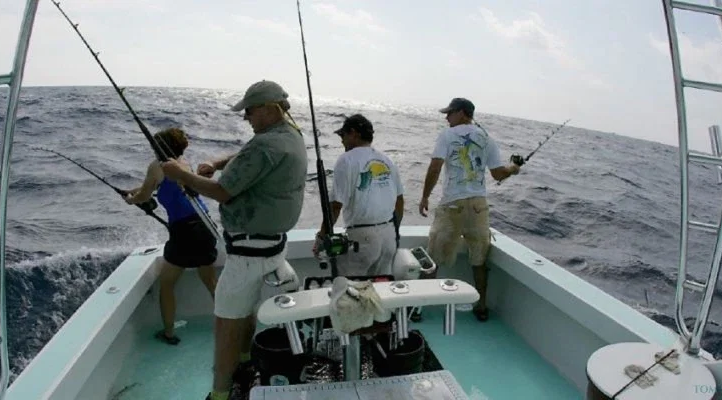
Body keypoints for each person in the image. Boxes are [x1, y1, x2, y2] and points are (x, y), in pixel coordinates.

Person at [159, 80, 307, 400]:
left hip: (248, 253)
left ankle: (220, 394)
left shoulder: (265, 145)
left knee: (226, 323)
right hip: (272, 246)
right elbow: (247, 156)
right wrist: (216, 163)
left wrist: (180, 175)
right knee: (246, 308)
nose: (246, 117)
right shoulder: (290, 134)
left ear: (269, 108)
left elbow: (222, 192)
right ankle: (245, 362)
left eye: (249, 111)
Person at [418, 97, 522, 322]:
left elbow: (435, 167)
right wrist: (513, 168)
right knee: (479, 259)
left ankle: (418, 308)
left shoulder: (447, 135)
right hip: (478, 207)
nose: (446, 117)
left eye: (450, 113)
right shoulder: (486, 138)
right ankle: (481, 306)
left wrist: (425, 196)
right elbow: (498, 174)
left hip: (452, 206)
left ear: (463, 113)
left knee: (433, 257)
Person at [124, 127, 218, 345]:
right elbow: (158, 185)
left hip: (184, 233)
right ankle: (229, 326)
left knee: (166, 284)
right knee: (211, 282)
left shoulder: (156, 166)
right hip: (204, 225)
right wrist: (136, 189)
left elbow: (145, 195)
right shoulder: (182, 164)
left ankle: (168, 333)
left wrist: (131, 199)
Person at [314, 114, 404, 277]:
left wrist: (321, 238)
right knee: (381, 285)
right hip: (389, 238)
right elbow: (399, 201)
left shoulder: (346, 160)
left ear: (354, 133)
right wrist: (395, 232)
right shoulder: (388, 160)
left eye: (343, 135)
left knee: (351, 286)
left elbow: (335, 206)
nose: (342, 141)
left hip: (363, 240)